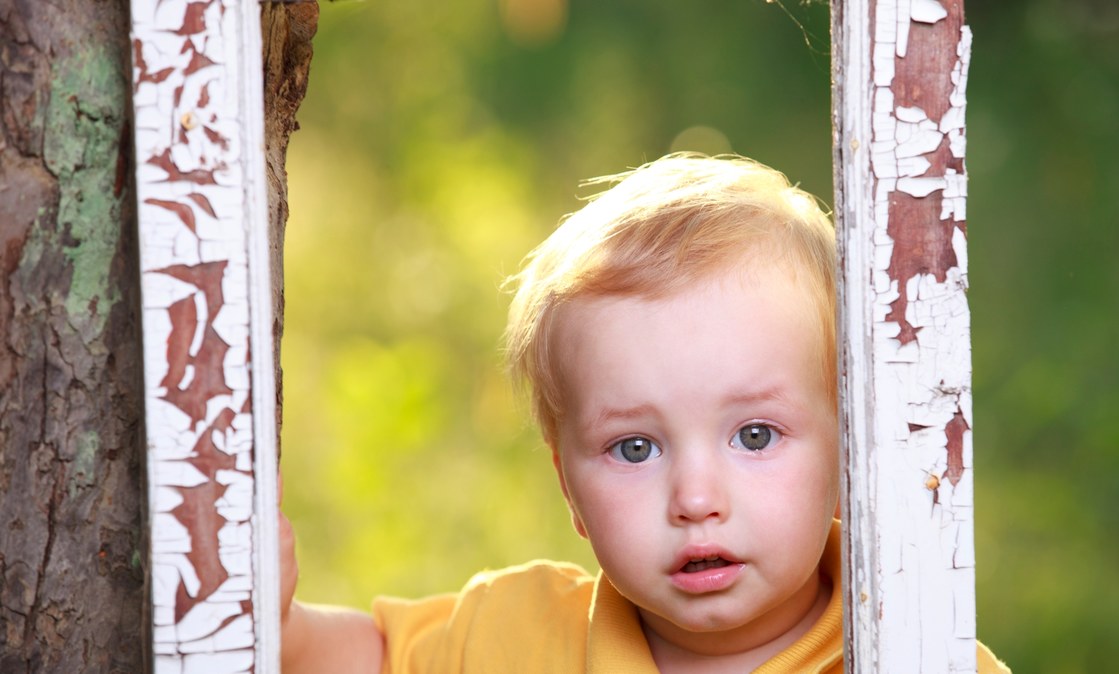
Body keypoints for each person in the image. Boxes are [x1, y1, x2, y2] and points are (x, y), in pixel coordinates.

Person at [280, 153, 1009, 673]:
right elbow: (361, 657)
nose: (696, 499)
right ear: (568, 486)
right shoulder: (514, 634)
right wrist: (275, 619)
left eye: (754, 435)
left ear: (849, 451)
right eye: (634, 448)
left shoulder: (916, 646)